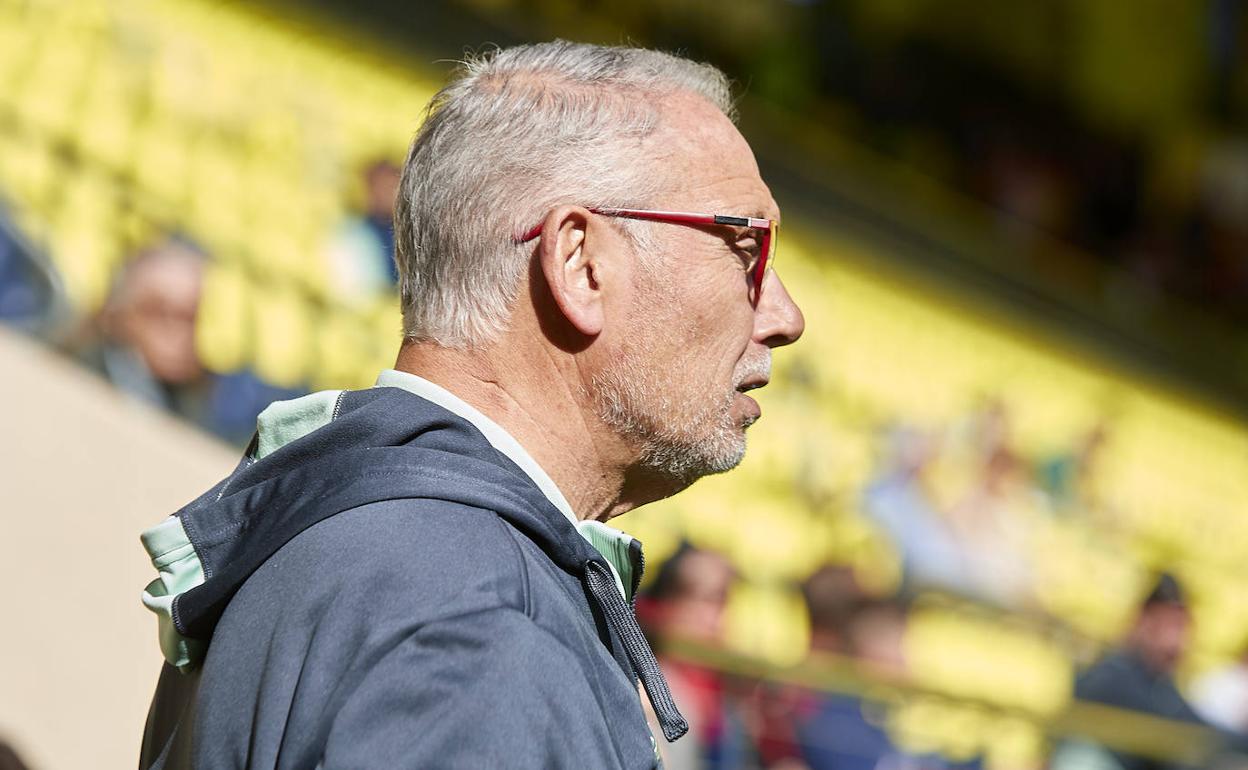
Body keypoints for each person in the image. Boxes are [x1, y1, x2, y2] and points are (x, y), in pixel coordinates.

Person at [138, 41, 804, 769]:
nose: (785, 317)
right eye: (746, 250)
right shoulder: (483, 631)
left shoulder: (326, 527)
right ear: (580, 264)